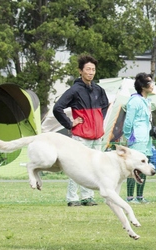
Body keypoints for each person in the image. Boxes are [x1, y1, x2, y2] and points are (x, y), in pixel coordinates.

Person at [53, 54, 109, 207]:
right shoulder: (74, 90)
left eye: (93, 69)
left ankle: (87, 197)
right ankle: (72, 198)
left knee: (94, 168)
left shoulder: (99, 90)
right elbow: (57, 108)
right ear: (80, 71)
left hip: (97, 136)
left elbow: (105, 105)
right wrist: (70, 124)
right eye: (88, 69)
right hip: (81, 136)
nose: (91, 72)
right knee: (76, 167)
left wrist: (98, 120)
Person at [123, 73, 155, 204]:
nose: (152, 85)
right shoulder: (135, 101)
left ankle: (140, 196)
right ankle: (130, 197)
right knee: (134, 167)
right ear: (142, 86)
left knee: (145, 165)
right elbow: (128, 121)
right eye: (149, 82)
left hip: (146, 138)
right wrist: (128, 135)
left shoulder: (147, 101)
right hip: (136, 138)